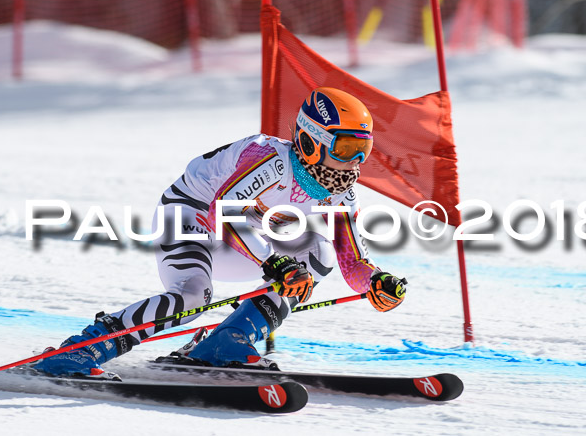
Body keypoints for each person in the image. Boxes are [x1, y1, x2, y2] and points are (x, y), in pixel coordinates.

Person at [33, 87, 408, 378]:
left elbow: (352, 261)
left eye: (363, 149)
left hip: (248, 241)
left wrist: (377, 282)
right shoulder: (268, 159)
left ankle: (227, 343)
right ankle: (81, 349)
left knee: (318, 253)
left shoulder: (341, 193)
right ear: (311, 140)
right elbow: (223, 214)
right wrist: (274, 262)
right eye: (346, 148)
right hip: (190, 217)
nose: (355, 162)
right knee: (193, 298)